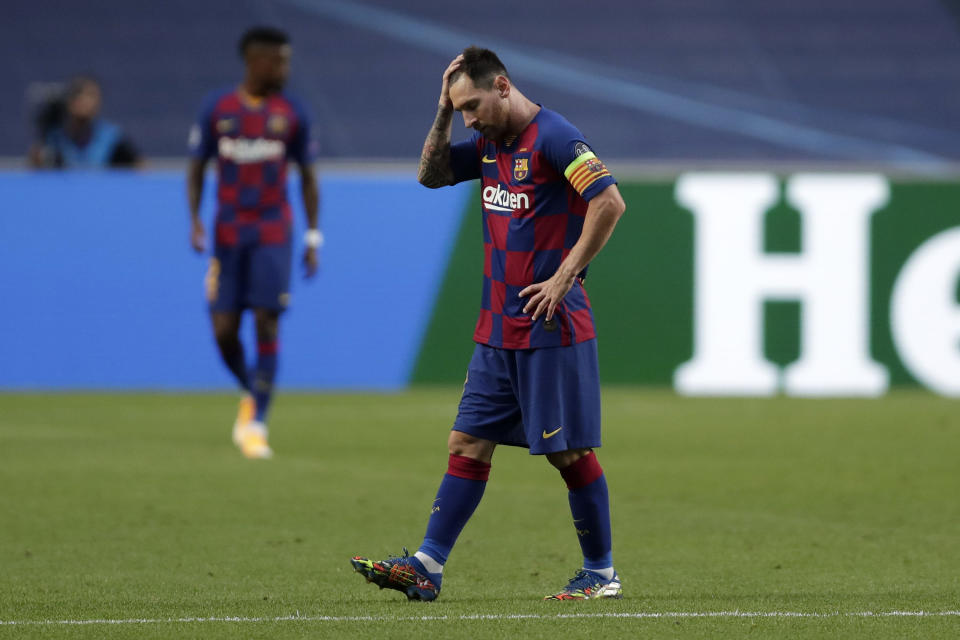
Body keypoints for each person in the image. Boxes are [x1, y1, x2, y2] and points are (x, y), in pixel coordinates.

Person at [351, 46, 626, 601]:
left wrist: (566, 275)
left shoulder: (555, 138)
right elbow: (429, 176)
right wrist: (443, 110)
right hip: (497, 329)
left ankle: (601, 574)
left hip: (549, 325)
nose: (469, 118)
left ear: (502, 86)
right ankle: (428, 566)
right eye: (461, 110)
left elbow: (610, 203)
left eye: (473, 105)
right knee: (467, 442)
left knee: (565, 452)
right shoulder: (485, 144)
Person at [187, 26, 321, 459]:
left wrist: (313, 235)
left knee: (266, 319)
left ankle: (257, 421)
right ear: (256, 61)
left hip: (272, 231)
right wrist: (194, 220)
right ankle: (253, 389)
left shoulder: (293, 113)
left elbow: (308, 178)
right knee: (224, 330)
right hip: (226, 233)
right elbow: (196, 167)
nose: (285, 68)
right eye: (279, 60)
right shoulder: (218, 108)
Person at [29, 75, 141, 169]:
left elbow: (141, 170)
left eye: (93, 96)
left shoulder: (112, 139)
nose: (89, 102)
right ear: (70, 101)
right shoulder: (53, 140)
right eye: (82, 95)